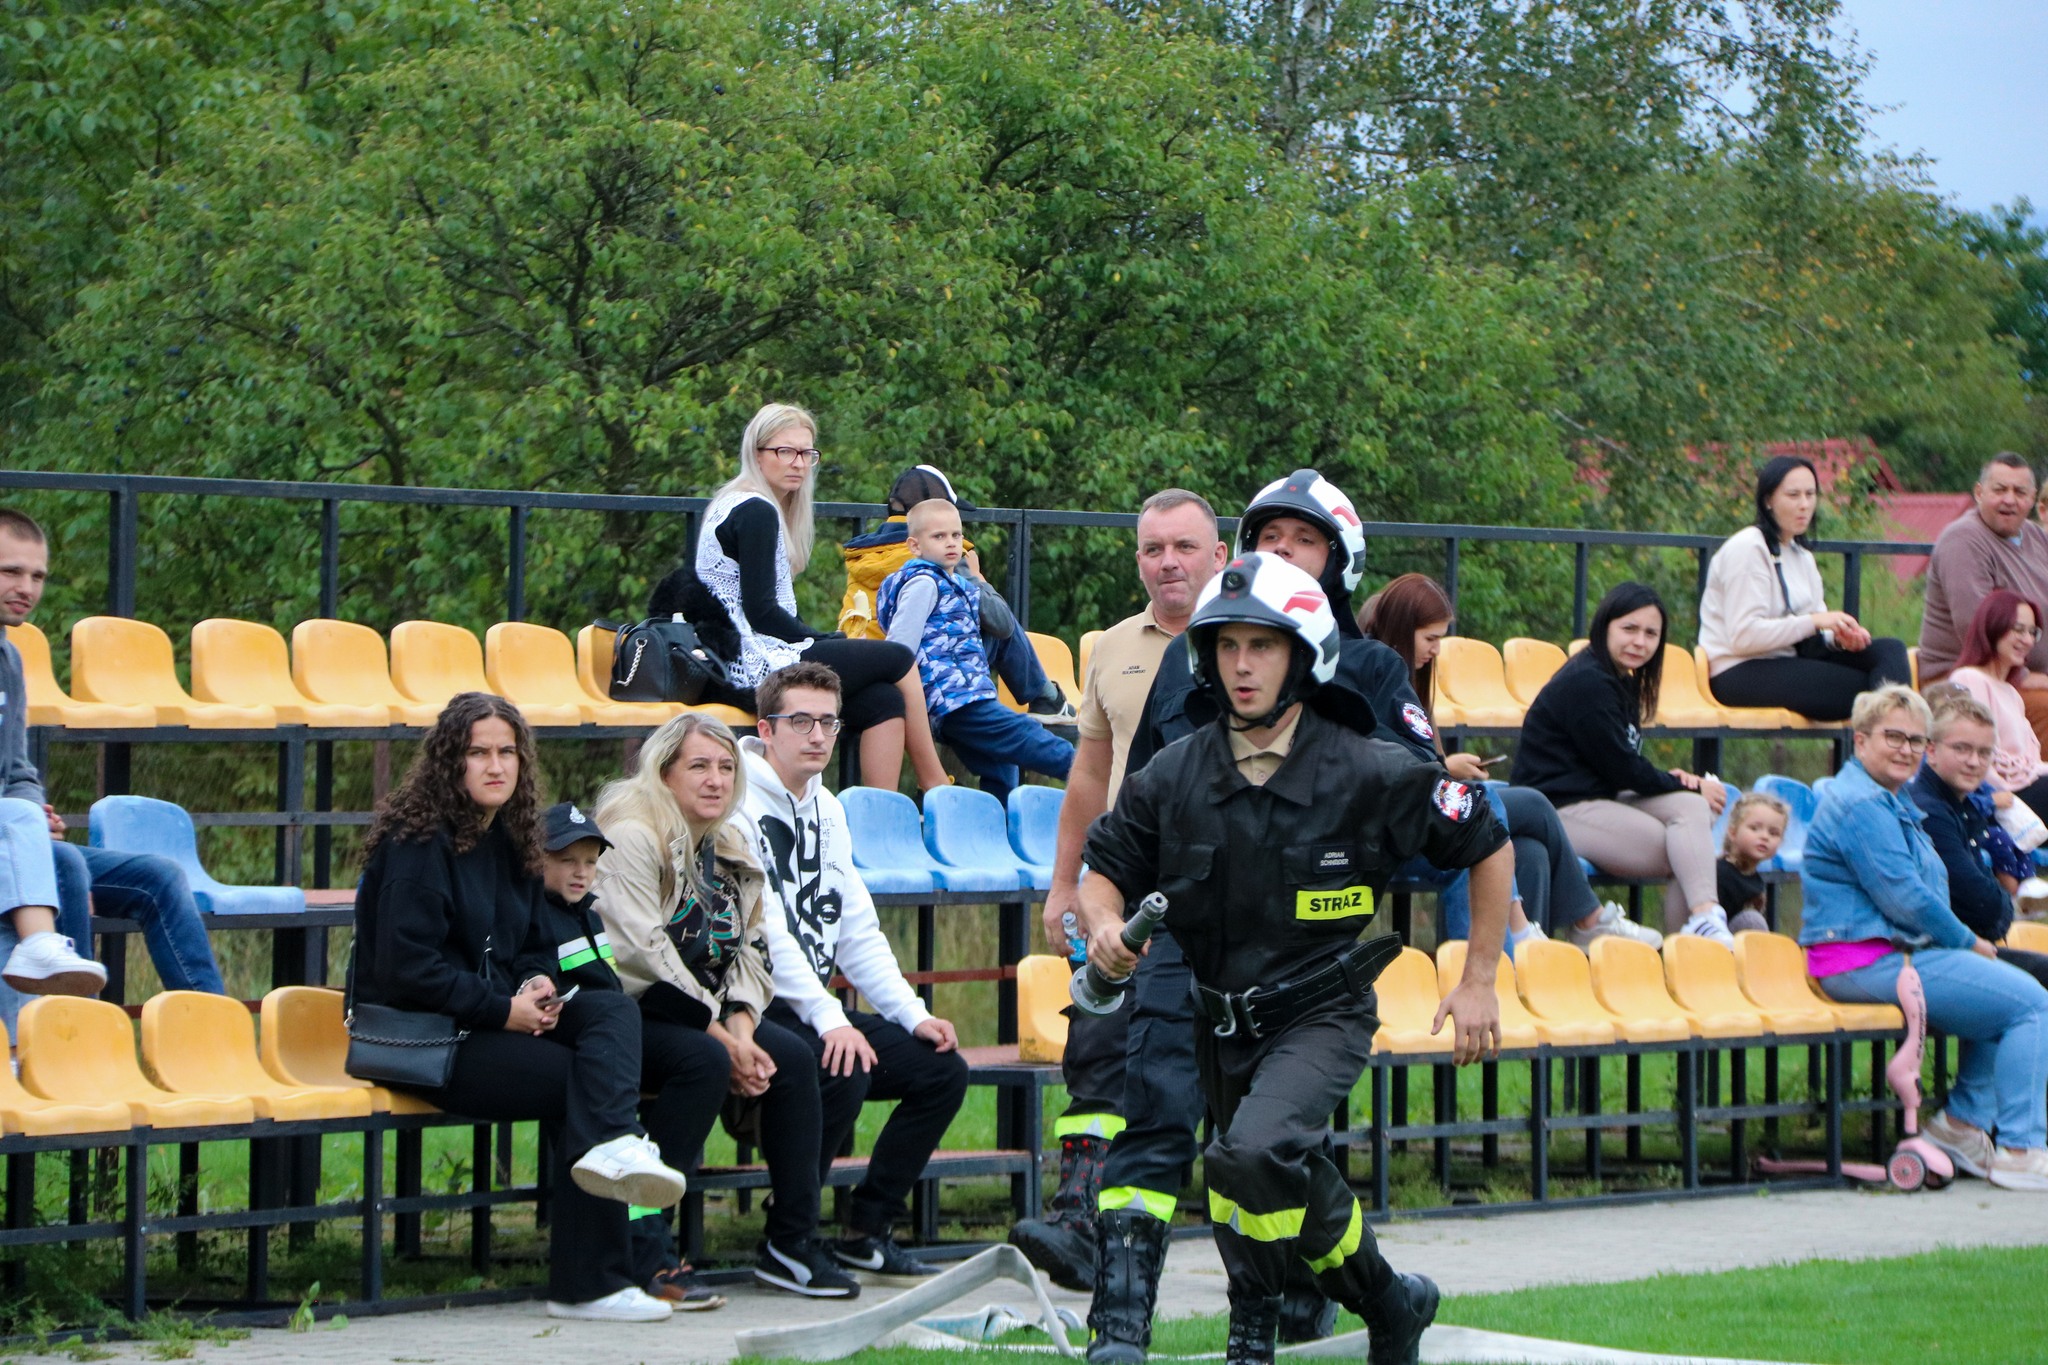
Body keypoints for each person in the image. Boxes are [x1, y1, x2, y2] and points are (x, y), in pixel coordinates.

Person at [1074, 553, 1511, 1365]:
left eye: (1263, 646)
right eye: (1227, 645)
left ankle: (1252, 1337)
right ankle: (1392, 1302)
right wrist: (1102, 923)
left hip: (1322, 1011)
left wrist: (1480, 977)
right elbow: (1103, 866)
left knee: (1247, 1155)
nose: (1241, 665)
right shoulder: (1174, 772)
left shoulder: (1370, 767)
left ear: (1304, 657)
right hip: (1217, 1018)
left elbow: (1487, 838)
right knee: (1286, 1173)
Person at [349, 693, 688, 1322]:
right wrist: (502, 1009)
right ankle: (590, 1283)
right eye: (478, 752)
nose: (495, 765)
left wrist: (535, 985)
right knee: (581, 1083)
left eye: (507, 752)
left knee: (610, 1011)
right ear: (450, 761)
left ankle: (614, 1156)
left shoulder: (511, 840)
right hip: (422, 1038)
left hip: (486, 1019)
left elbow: (533, 944)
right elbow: (406, 971)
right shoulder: (416, 844)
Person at [1012, 487, 1226, 1291]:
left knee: (1217, 1060)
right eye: (1152, 548)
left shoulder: (1255, 639)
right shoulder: (1111, 648)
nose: (1168, 562)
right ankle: (1079, 1218)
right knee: (1098, 1032)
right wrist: (1065, 883)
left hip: (1229, 884)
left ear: (1219, 556)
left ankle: (1271, 1254)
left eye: (1184, 546)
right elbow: (1089, 773)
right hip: (1130, 878)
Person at [592, 710, 861, 1299]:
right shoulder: (631, 834)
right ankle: (645, 1245)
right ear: (664, 772)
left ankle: (791, 1243)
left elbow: (752, 946)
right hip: (629, 1010)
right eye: (699, 767)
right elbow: (642, 953)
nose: (715, 780)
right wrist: (722, 1038)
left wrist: (740, 1025)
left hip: (706, 1013)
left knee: (796, 1057)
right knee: (703, 1062)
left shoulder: (728, 842)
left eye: (725, 767)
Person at [741, 661, 969, 1281]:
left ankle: (866, 1229)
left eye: (828, 722)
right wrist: (829, 1017)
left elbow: (856, 931)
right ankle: (789, 1239)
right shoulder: (736, 804)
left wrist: (913, 1015)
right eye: (801, 721)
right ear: (766, 728)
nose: (817, 735)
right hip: (752, 1005)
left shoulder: (830, 810)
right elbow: (769, 931)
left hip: (812, 1005)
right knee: (840, 1061)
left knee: (941, 1069)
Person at [1801, 684, 2048, 1192]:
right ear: (1861, 739)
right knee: (2032, 1005)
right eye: (1893, 737)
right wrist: (1967, 941)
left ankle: (1961, 1126)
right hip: (1864, 961)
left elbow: (1927, 888)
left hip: (1897, 956)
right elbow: (1906, 897)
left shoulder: (1889, 799)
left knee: (2006, 1001)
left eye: (1915, 740)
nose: (1906, 749)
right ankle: (2021, 1151)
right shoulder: (1861, 804)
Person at [0, 506, 223, 1032]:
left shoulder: (9, 658)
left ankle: (213, 1031)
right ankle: (75, 1034)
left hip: (14, 839)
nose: (26, 588)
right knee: (64, 865)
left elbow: (18, 770)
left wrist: (31, 813)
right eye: (11, 571)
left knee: (160, 877)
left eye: (37, 576)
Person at [1361, 572, 1658, 953]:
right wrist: (1447, 770)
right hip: (1400, 827)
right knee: (1516, 803)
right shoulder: (1374, 684)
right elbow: (1391, 770)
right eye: (1430, 639)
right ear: (1401, 630)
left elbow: (1423, 761)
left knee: (1529, 849)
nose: (1436, 650)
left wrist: (1447, 766)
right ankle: (1570, 922)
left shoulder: (1413, 682)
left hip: (1429, 810)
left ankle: (1526, 961)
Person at [692, 402, 951, 792]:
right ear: (757, 454)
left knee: (883, 701)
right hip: (750, 659)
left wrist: (819, 639)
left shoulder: (738, 502)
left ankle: (876, 814)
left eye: (806, 454)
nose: (798, 463)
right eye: (785, 451)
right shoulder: (755, 510)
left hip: (749, 651)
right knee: (897, 657)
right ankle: (934, 782)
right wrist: (820, 638)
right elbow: (761, 613)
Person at [535, 801, 728, 1312]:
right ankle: (647, 1250)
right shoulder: (531, 912)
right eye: (567, 860)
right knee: (596, 1096)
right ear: (538, 861)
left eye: (590, 861)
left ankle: (651, 1198)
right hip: (568, 1041)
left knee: (705, 1059)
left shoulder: (590, 912)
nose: (581, 872)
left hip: (614, 1032)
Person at [1513, 582, 1737, 943]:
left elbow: (1622, 763)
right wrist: (1687, 782)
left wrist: (1682, 785)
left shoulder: (1621, 680)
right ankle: (1687, 947)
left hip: (1603, 796)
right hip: (1560, 809)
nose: (1640, 642)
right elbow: (1622, 768)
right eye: (1629, 629)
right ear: (1605, 627)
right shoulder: (1587, 682)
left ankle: (1705, 917)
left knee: (1692, 811)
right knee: (1683, 849)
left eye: (1651, 634)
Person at [838, 464, 1075, 722]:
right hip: (927, 677)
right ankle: (1045, 699)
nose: (951, 534)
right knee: (996, 617)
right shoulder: (940, 555)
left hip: (868, 670)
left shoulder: (864, 555)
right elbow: (1001, 623)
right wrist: (978, 578)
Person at [878, 499, 1074, 802]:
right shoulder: (923, 583)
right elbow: (899, 648)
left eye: (956, 535)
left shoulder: (956, 583)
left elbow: (1001, 625)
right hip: (956, 700)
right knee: (1025, 736)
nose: (951, 543)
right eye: (939, 536)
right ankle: (1092, 772)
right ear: (914, 546)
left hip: (964, 697)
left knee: (1000, 765)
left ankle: (999, 822)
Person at [1699, 455, 1911, 721]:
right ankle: (1894, 737)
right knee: (1870, 692)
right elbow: (1744, 637)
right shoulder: (1748, 548)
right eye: (1793, 495)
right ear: (1768, 500)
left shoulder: (1801, 555)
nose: (1804, 505)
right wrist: (1814, 621)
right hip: (1737, 670)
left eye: (1810, 495)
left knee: (1890, 651)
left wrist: (1839, 638)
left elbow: (1814, 633)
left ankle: (1894, 736)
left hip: (1788, 659)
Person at [1908, 693, 2048, 991]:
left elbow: (1983, 899)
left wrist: (1997, 907)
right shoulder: (1929, 810)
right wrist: (2003, 907)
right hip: (1931, 956)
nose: (1974, 761)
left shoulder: (1960, 804)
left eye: (1984, 753)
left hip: (1959, 947)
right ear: (1931, 750)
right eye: (1962, 749)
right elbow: (1979, 902)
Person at [1920, 454, 2048, 750]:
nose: (2009, 500)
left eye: (2020, 492)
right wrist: (2026, 677)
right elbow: (1975, 625)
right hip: (1966, 683)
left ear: (2032, 500)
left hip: (2024, 680)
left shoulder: (2035, 537)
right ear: (1979, 492)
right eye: (1999, 490)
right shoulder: (1964, 540)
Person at [1943, 589, 2048, 821]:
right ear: (1993, 627)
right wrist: (2004, 796)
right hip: (1999, 797)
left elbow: (2031, 762)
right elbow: (1977, 756)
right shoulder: (1968, 679)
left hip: (2027, 789)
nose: (2027, 640)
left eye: (2032, 632)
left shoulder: (2012, 693)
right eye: (2018, 629)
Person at [1713, 793, 1784, 934]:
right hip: (1714, 942)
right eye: (1754, 828)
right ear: (1733, 833)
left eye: (1773, 833)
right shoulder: (1719, 873)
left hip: (1741, 944)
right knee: (1752, 921)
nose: (1765, 837)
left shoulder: (1756, 879)